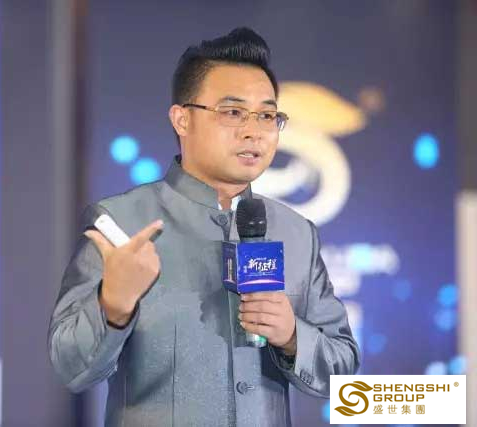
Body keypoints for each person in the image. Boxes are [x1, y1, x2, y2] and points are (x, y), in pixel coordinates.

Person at [48, 27, 360, 427]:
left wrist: (292, 336)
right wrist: (113, 307)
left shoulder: (297, 232)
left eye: (267, 115)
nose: (253, 130)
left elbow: (343, 372)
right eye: (233, 112)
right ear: (182, 119)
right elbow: (69, 369)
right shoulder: (119, 224)